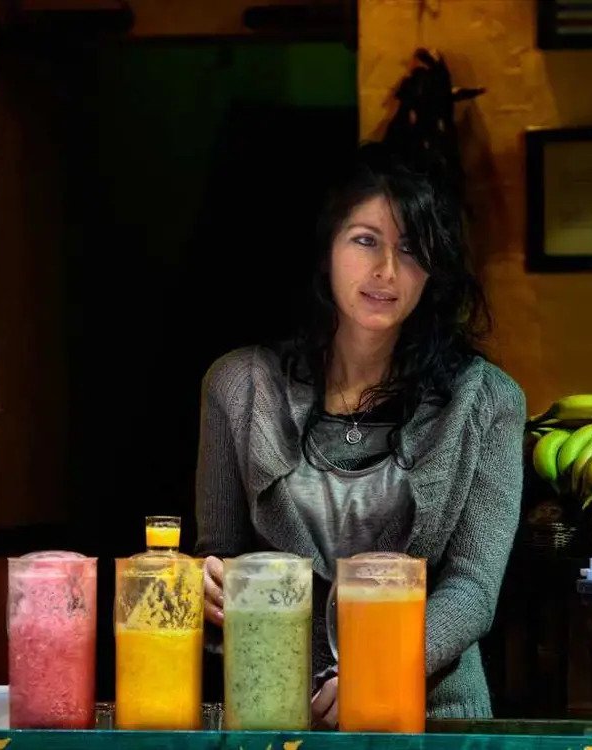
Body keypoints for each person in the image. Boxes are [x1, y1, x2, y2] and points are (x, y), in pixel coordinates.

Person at [193, 141, 525, 726]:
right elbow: (219, 553)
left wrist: (378, 673)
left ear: (434, 271)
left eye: (411, 249)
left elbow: (473, 588)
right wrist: (208, 583)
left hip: (434, 716)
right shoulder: (238, 386)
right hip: (278, 709)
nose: (387, 271)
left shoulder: (487, 400)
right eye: (366, 240)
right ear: (326, 249)